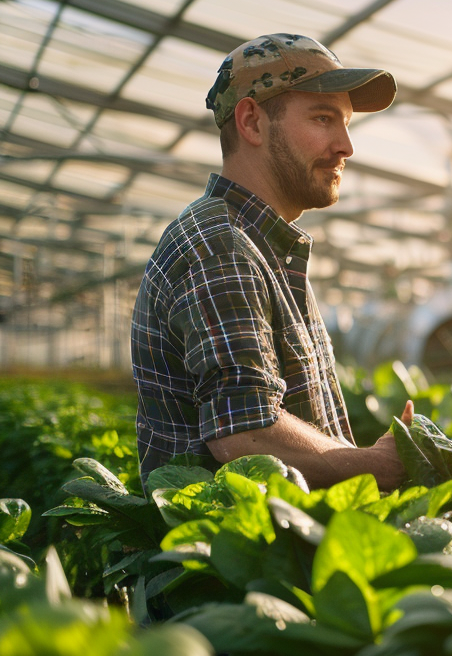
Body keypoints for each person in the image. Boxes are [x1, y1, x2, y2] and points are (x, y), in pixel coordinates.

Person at [130, 33, 408, 489]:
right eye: (324, 118)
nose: (346, 146)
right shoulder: (221, 247)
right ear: (252, 123)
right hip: (239, 554)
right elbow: (246, 435)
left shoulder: (260, 246)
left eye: (346, 124)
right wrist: (376, 465)